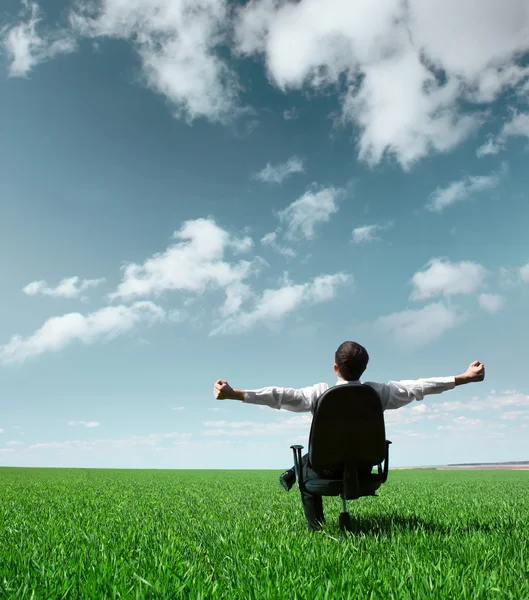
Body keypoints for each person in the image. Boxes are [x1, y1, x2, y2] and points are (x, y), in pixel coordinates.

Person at [213, 341, 485, 530]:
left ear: (335, 368)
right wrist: (464, 377)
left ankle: (315, 528)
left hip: (325, 468)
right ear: (364, 369)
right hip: (365, 466)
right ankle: (292, 473)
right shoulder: (378, 393)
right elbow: (420, 387)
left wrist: (235, 394)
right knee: (317, 455)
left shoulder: (319, 394)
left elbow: (279, 396)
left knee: (306, 464)